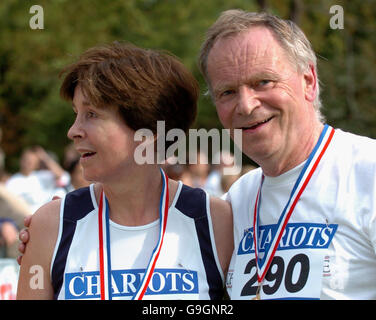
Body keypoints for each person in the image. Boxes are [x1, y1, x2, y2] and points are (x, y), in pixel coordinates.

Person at [16, 42, 233, 300]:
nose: (73, 131)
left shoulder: (216, 221)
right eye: (76, 113)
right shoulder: (51, 225)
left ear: (149, 132)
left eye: (92, 114)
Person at [198, 9, 376, 300]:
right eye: (227, 92)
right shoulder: (238, 199)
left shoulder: (368, 172)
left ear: (308, 81)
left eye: (263, 82)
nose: (245, 105)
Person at [5, 146, 70, 212]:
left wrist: (44, 157)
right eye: (25, 160)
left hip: (44, 216)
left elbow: (63, 176)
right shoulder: (13, 181)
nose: (27, 163)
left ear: (36, 164)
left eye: (31, 161)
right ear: (21, 160)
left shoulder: (42, 176)